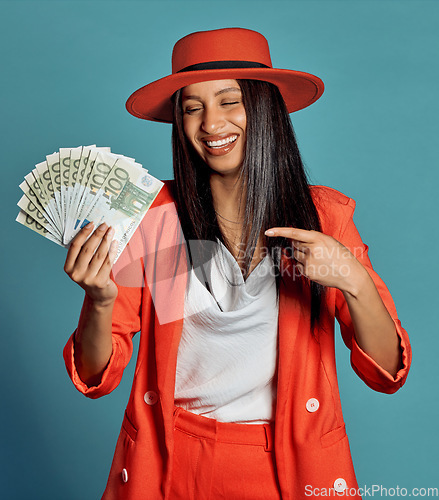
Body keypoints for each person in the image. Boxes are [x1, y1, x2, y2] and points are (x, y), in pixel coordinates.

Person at [63, 28, 411, 500]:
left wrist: (354, 281)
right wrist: (100, 302)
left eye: (229, 101)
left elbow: (385, 371)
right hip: (169, 461)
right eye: (192, 107)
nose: (211, 124)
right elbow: (95, 376)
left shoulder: (322, 219)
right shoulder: (159, 219)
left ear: (265, 109)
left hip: (289, 463)